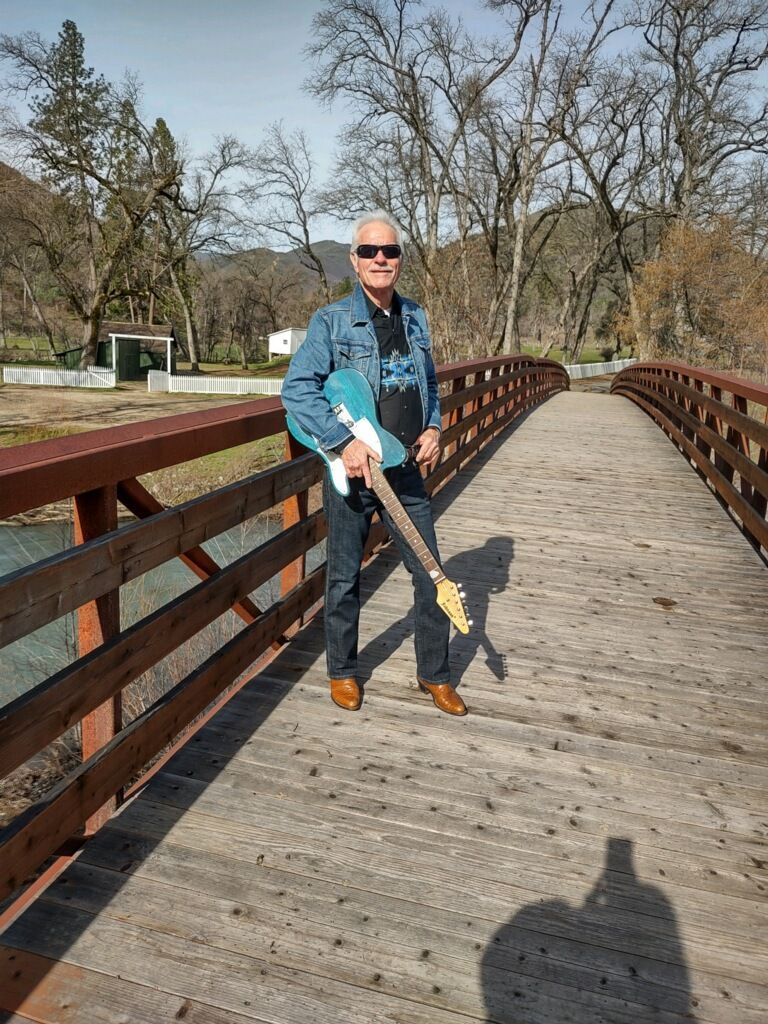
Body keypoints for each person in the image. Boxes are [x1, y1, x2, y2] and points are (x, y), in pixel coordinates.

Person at [280, 210, 467, 717]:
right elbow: (296, 390)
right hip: (355, 474)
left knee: (431, 573)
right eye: (369, 251)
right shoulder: (332, 321)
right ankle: (342, 671)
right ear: (355, 261)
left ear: (400, 260)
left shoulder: (416, 317)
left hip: (404, 471)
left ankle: (436, 675)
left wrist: (434, 427)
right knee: (344, 577)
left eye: (390, 251)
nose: (380, 259)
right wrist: (343, 443)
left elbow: (428, 384)